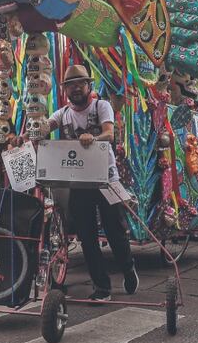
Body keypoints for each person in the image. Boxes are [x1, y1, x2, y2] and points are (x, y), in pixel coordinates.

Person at [46, 64, 137, 301]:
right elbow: (46, 126)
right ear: (65, 89)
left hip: (106, 179)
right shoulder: (63, 113)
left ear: (88, 85)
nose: (75, 89)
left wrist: (93, 138)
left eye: (80, 84)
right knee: (86, 236)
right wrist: (28, 134)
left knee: (115, 230)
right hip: (79, 182)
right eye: (70, 85)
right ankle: (102, 287)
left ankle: (128, 269)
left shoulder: (101, 105)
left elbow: (110, 133)